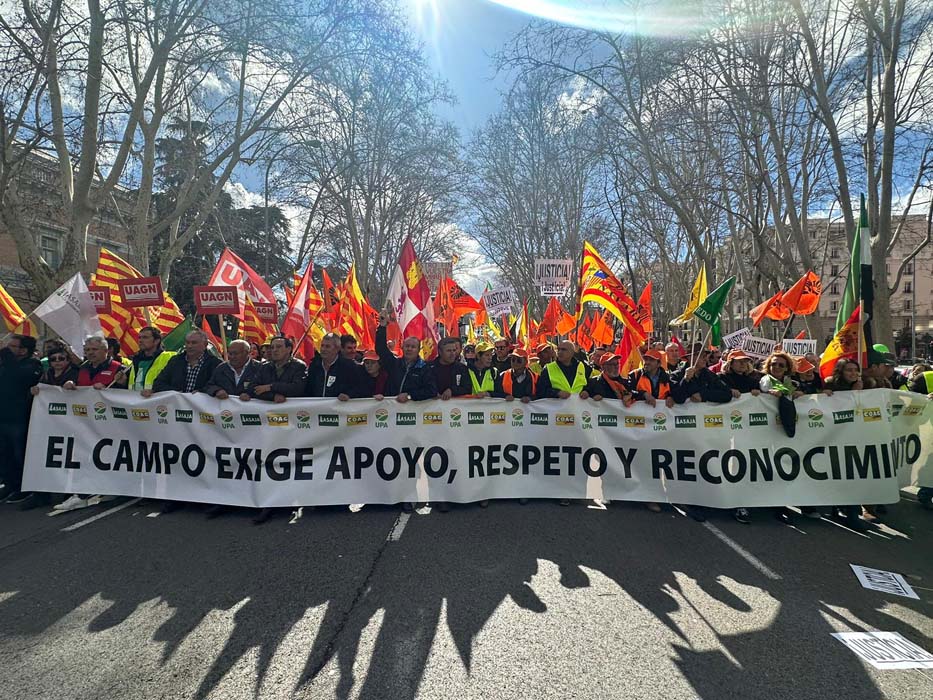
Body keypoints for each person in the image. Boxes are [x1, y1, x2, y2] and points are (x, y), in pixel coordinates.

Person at [628, 348, 676, 514]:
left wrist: (672, 396)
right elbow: (627, 392)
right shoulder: (635, 375)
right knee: (644, 460)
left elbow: (678, 393)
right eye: (646, 359)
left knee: (660, 461)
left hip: (662, 427)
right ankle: (648, 496)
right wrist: (642, 394)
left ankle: (662, 494)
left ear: (658, 363)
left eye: (651, 360)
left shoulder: (668, 378)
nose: (646, 362)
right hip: (640, 426)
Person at [0, 335, 42, 504]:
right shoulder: (6, 364)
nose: (8, 349)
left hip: (19, 419)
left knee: (20, 454)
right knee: (5, 455)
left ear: (24, 350)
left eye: (12, 346)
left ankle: (26, 487)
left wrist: (4, 352)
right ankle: (11, 484)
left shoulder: (33, 365)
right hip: (3, 416)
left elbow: (18, 376)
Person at [376, 312, 437, 403]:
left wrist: (410, 395)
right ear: (402, 347)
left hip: (413, 412)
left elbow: (431, 391)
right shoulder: (394, 364)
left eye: (413, 347)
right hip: (391, 408)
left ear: (418, 349)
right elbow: (381, 349)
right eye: (407, 346)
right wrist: (382, 326)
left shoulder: (425, 368)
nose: (409, 349)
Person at [151, 329, 221, 394]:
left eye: (194, 343)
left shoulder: (215, 364)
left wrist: (201, 392)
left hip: (202, 406)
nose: (189, 346)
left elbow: (218, 386)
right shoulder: (175, 361)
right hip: (177, 405)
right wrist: (177, 392)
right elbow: (158, 384)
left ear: (205, 345)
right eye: (187, 343)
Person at [246, 335, 307, 403]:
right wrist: (272, 396)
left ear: (288, 349)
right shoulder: (264, 367)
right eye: (272, 347)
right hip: (267, 410)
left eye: (279, 347)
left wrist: (271, 387)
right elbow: (252, 388)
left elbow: (297, 389)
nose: (274, 350)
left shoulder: (299, 366)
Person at [305, 333, 361, 399]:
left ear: (337, 349)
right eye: (322, 346)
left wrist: (348, 395)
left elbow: (358, 388)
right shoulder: (314, 365)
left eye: (327, 346)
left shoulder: (349, 367)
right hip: (316, 408)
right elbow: (308, 389)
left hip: (339, 408)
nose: (323, 349)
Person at [125, 326, 173, 395]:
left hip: (156, 403)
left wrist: (154, 390)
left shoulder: (169, 357)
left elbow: (174, 384)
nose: (140, 340)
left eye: (145, 337)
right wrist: (123, 382)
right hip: (135, 403)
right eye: (139, 337)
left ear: (156, 341)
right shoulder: (136, 360)